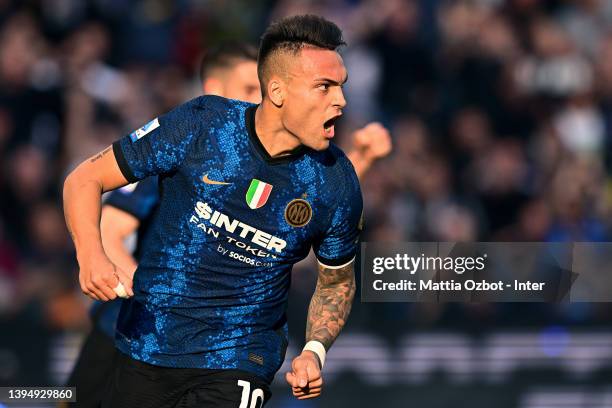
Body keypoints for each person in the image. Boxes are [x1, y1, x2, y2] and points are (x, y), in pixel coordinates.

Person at [63, 15, 382, 407]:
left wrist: (315, 350)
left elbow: (335, 281)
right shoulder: (202, 126)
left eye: (341, 87)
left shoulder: (337, 181)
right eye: (324, 87)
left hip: (241, 357)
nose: (341, 101)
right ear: (278, 91)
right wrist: (91, 255)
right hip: (148, 342)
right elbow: (85, 178)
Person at [64, 42, 262, 408]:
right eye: (249, 89)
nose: (259, 101)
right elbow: (110, 230)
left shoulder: (258, 169)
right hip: (126, 336)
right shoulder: (178, 152)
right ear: (213, 91)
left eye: (263, 92)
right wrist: (160, 300)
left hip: (205, 354)